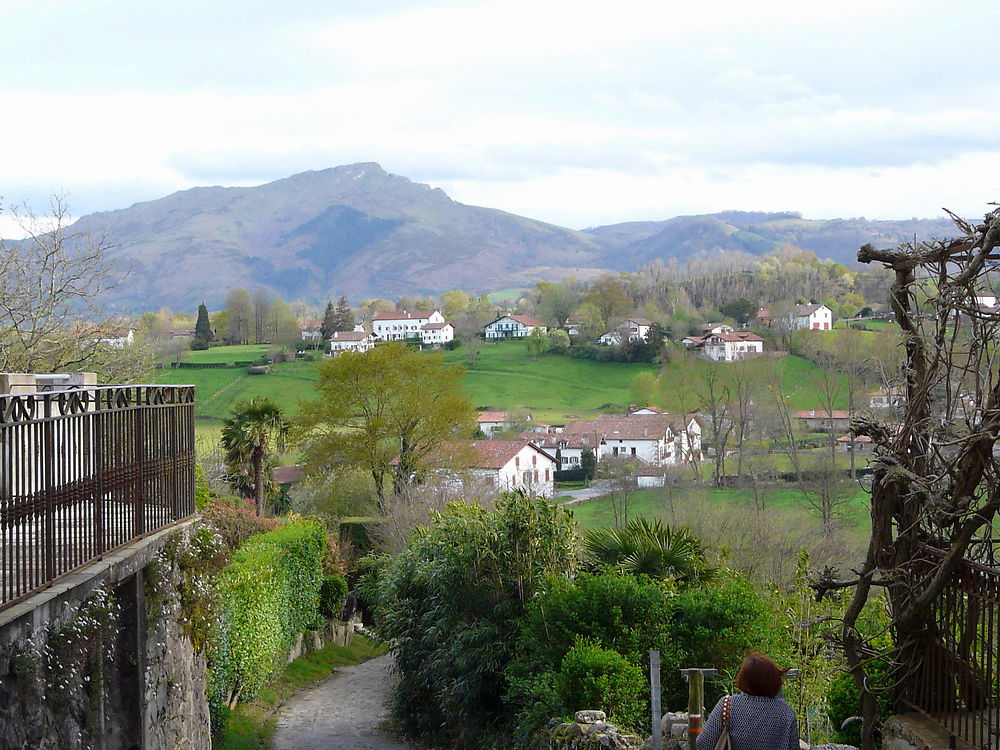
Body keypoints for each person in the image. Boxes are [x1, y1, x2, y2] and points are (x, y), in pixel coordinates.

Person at [696, 653, 799, 750]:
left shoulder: (727, 705)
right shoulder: (785, 712)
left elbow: (703, 744)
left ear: (743, 678)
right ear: (774, 680)